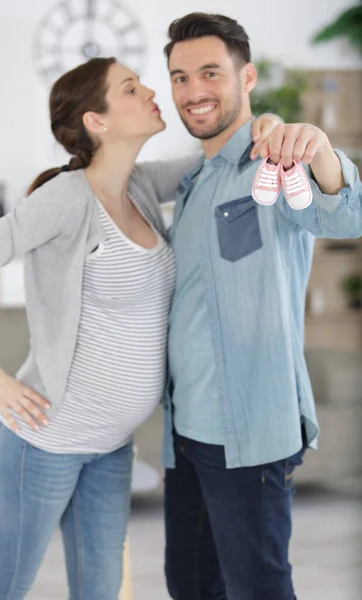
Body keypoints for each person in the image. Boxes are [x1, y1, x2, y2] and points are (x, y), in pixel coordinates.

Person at [0, 55, 278, 599]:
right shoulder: (64, 198)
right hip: (42, 444)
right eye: (131, 88)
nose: (152, 90)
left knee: (100, 591)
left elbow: (221, 155)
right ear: (96, 120)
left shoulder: (139, 186)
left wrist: (266, 126)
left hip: (110, 448)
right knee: (3, 589)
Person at [161, 12, 362, 600]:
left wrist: (320, 151)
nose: (193, 91)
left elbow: (346, 212)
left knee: (259, 588)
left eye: (209, 73)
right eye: (179, 76)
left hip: (248, 428)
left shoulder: (274, 163)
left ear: (246, 78)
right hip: (187, 428)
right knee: (192, 585)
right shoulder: (194, 181)